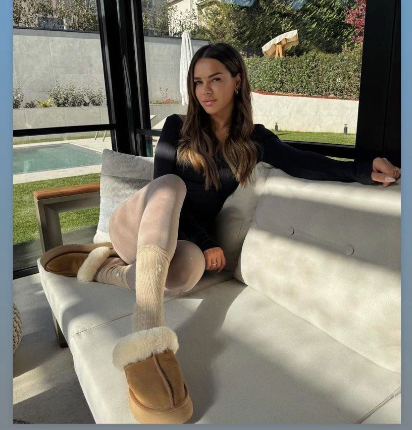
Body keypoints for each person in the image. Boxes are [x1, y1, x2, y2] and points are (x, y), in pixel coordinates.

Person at [40, 43, 401, 424]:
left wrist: (364, 169)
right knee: (172, 187)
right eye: (198, 82)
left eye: (215, 79)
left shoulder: (255, 140)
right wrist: (208, 240)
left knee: (190, 270)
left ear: (237, 81)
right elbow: (162, 190)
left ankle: (105, 269)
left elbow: (308, 163)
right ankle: (146, 341)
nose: (205, 90)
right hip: (136, 224)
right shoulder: (177, 127)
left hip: (174, 247)